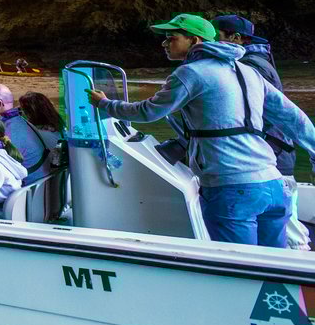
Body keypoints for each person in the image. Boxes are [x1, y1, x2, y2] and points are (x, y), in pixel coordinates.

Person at [88, 13, 315, 248]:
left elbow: (148, 112)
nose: (164, 43)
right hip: (273, 184)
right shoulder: (248, 72)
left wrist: (105, 104)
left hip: (231, 186)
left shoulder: (190, 73)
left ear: (195, 40)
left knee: (237, 264)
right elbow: (295, 119)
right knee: (273, 264)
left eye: (171, 37)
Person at [214, 14, 307, 249]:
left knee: (291, 236)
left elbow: (251, 115)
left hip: (271, 157)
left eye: (216, 35)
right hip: (277, 155)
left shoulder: (249, 67)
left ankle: (300, 268)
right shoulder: (258, 61)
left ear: (236, 38)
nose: (211, 41)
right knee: (285, 228)